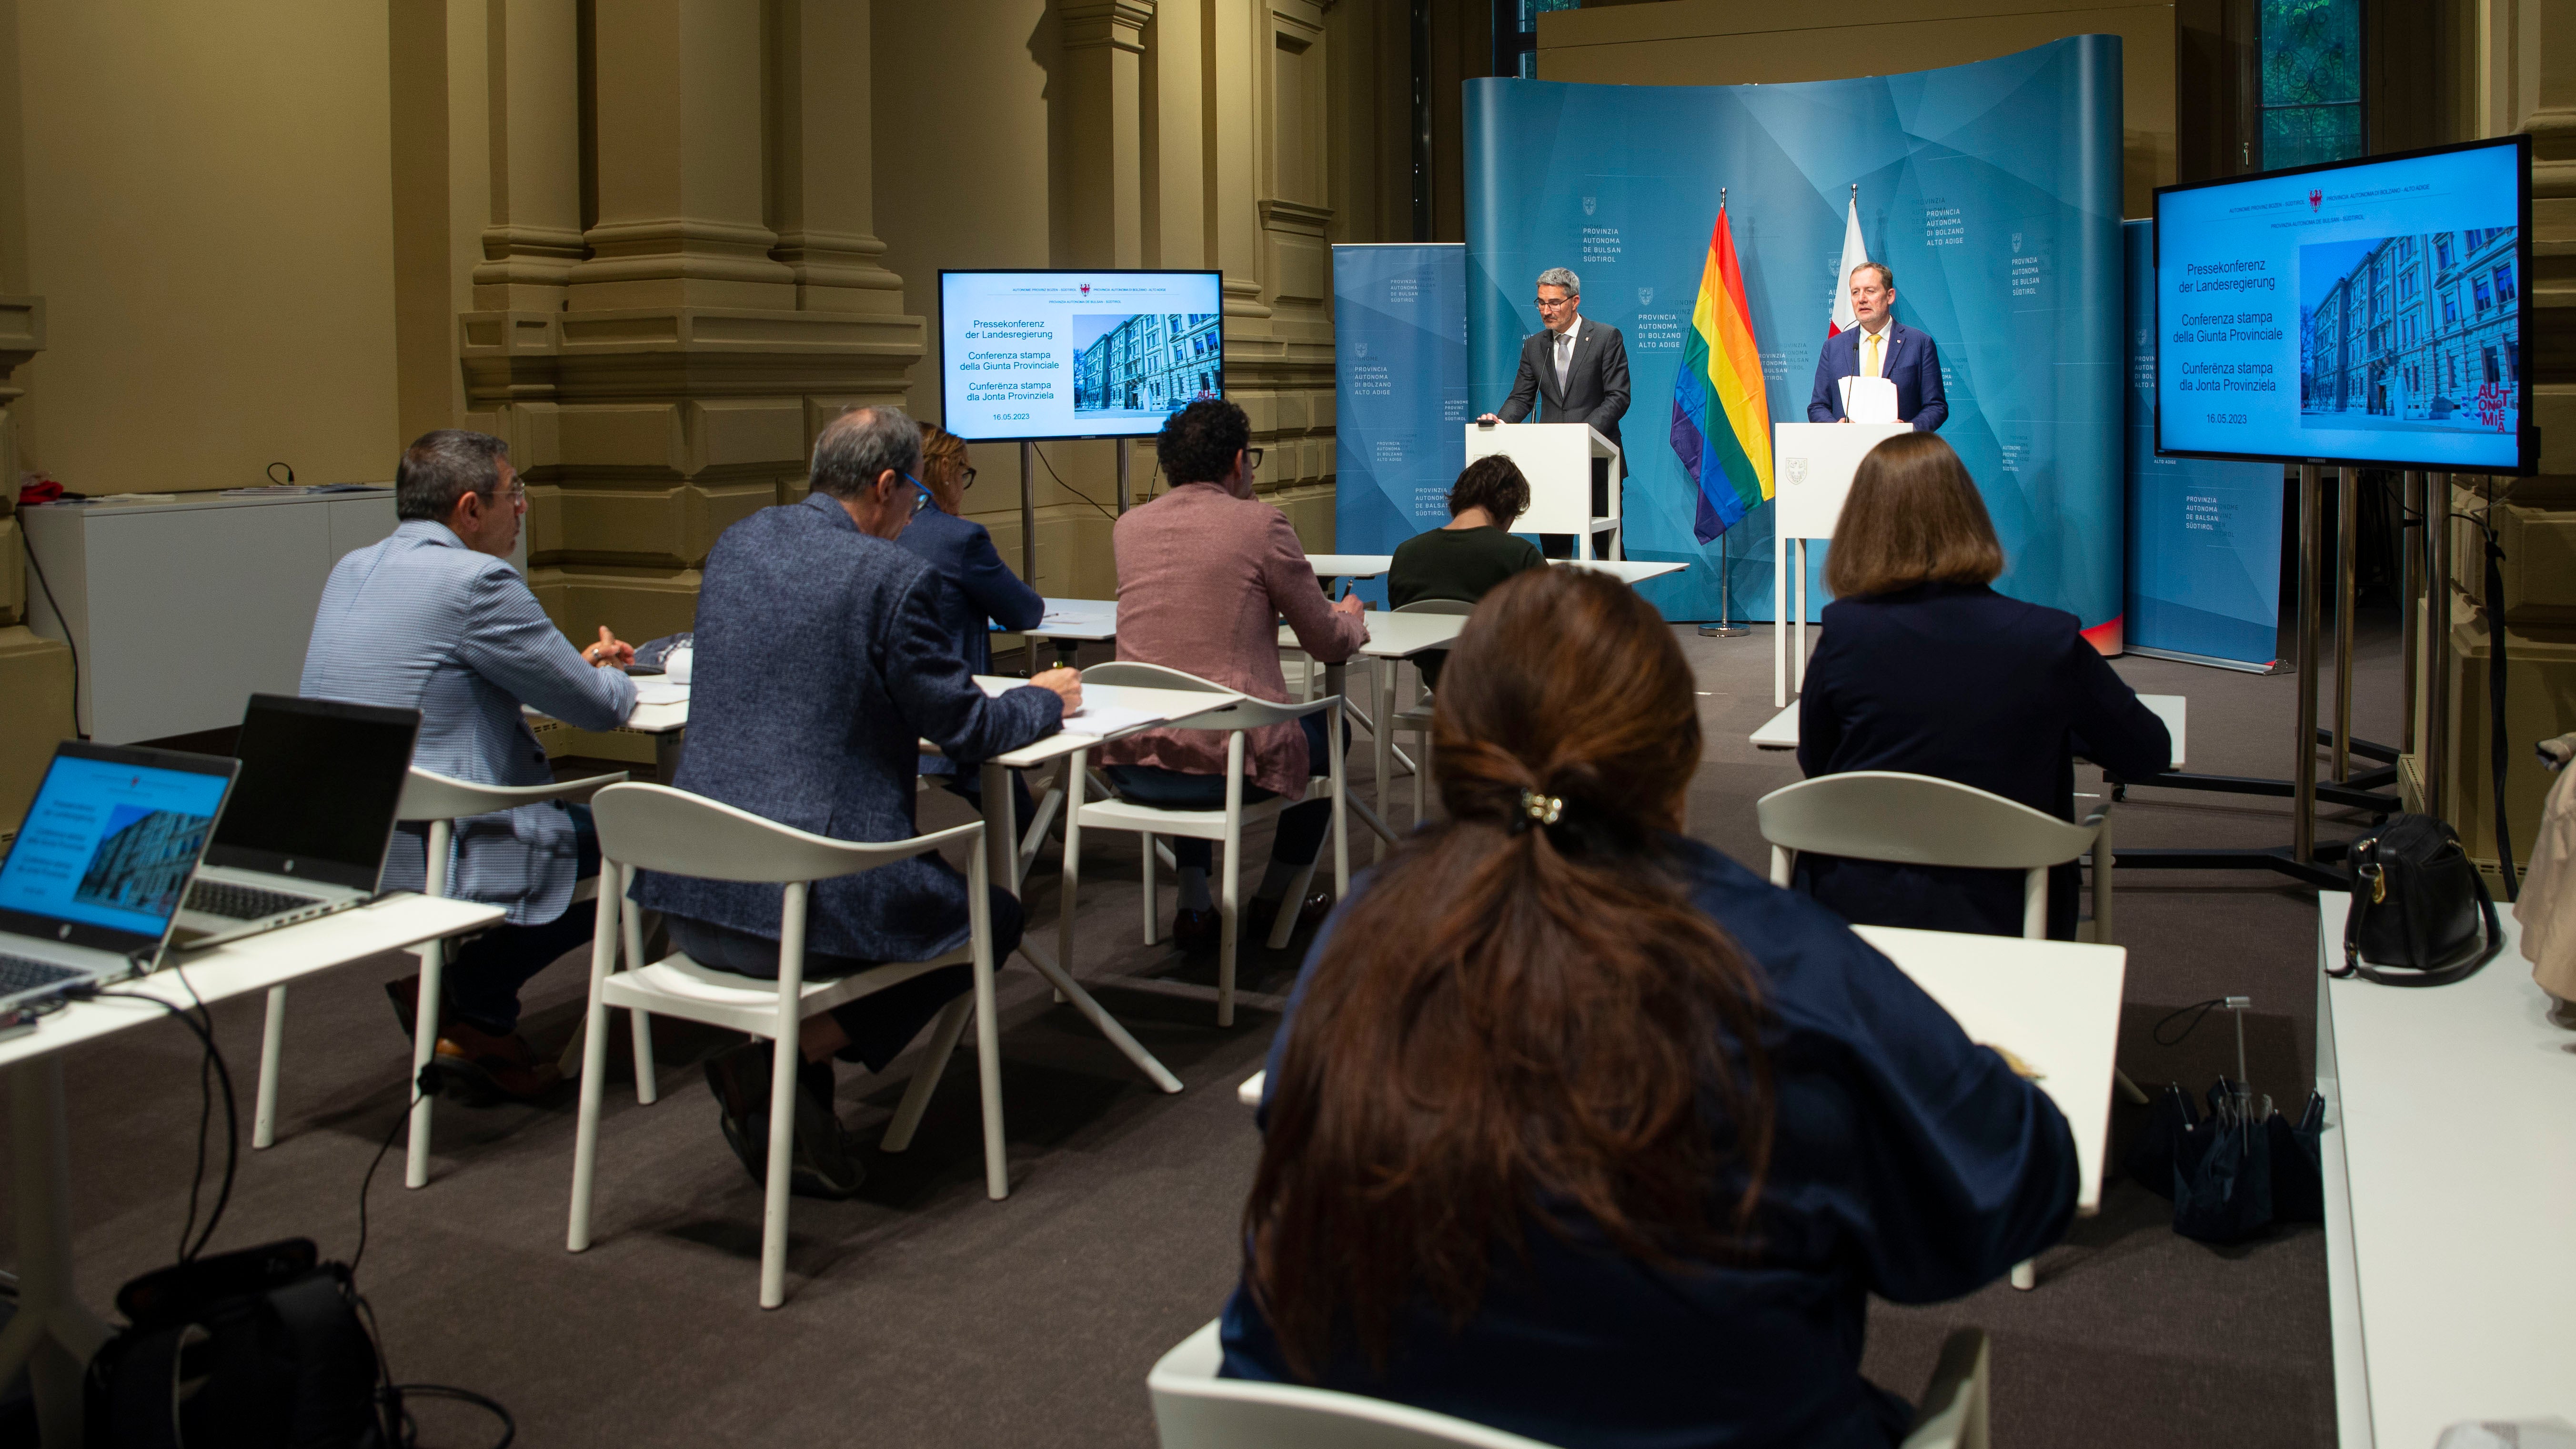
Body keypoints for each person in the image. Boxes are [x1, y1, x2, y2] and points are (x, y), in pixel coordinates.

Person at [1223, 567, 2076, 1448]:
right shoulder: (1783, 966)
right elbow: (2010, 1191)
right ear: (1680, 758)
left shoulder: (1363, 930)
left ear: (1453, 745)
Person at [632, 405, 1083, 1198]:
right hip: (801, 911)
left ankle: (795, 1119)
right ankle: (788, 1052)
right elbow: (968, 727)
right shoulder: (891, 577)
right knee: (994, 913)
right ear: (886, 485)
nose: (919, 513)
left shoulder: (737, 545)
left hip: (693, 899)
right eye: (916, 496)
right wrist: (1047, 699)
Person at [302, 429, 639, 1100]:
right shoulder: (479, 581)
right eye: (514, 494)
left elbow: (439, 680)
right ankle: (473, 999)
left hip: (354, 837)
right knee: (652, 846)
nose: (522, 508)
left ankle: (456, 998)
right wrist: (614, 678)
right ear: (468, 508)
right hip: (446, 842)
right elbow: (601, 711)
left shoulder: (351, 568)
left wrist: (567, 664)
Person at [1795, 433, 2169, 939]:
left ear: (1860, 529)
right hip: (2011, 915)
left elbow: (1819, 769)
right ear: (1968, 518)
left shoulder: (1843, 634)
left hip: (1858, 910)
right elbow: (2146, 752)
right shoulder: (2047, 640)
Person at [1104, 397, 1368, 948]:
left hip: (1132, 758)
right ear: (1239, 460)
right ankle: (1274, 903)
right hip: (1223, 766)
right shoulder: (1260, 524)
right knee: (1332, 728)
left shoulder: (1129, 527)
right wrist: (1351, 621)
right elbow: (1325, 643)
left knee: (1186, 713)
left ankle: (1194, 906)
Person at [897, 419, 1046, 817]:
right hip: (954, 711)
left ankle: (1045, 810)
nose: (964, 485)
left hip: (892, 712)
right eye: (964, 473)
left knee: (1026, 811)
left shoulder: (876, 528)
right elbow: (1026, 612)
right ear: (945, 471)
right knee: (1020, 815)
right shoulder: (959, 538)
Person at [1478, 266, 1630, 556]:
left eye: (1554, 303)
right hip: (1551, 465)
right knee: (1555, 555)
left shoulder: (1605, 337)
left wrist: (1581, 434)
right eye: (1541, 303)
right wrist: (1501, 420)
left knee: (1606, 552)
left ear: (1575, 302)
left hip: (1596, 462)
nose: (1546, 311)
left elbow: (1618, 397)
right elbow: (1521, 398)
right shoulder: (1535, 346)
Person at [1386, 453, 1545, 688]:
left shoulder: (1405, 554)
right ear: (1509, 507)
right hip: (1509, 694)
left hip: (1440, 686)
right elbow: (1553, 630)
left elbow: (1403, 633)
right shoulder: (1521, 556)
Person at [1805, 262, 1948, 432]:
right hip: (1848, 451)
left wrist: (1909, 431)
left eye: (1870, 291)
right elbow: (1818, 406)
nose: (1862, 299)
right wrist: (1836, 429)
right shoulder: (1833, 347)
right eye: (1855, 292)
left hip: (1900, 452)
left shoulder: (1919, 343)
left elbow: (1936, 406)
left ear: (1890, 296)